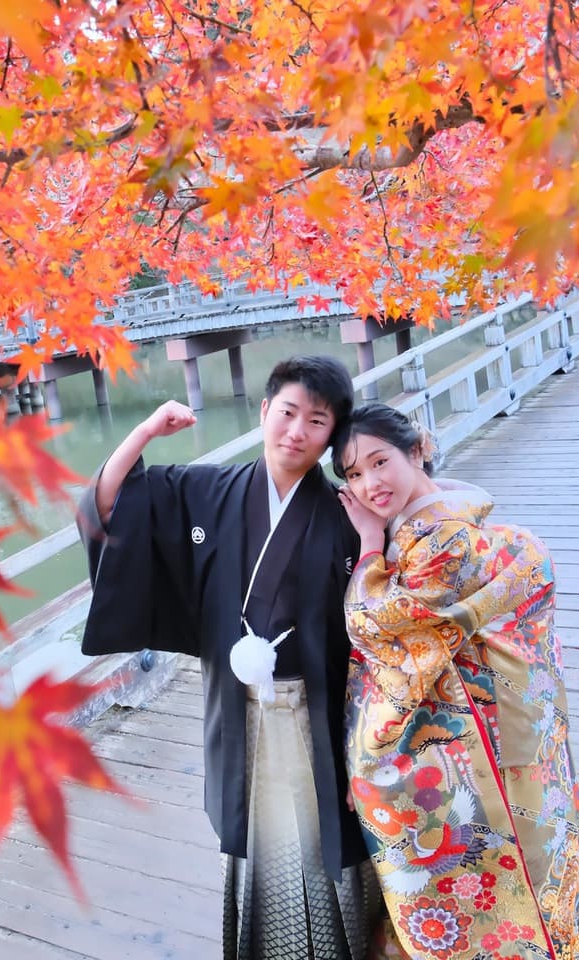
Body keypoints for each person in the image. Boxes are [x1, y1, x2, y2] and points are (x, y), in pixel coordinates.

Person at [77, 356, 376, 960]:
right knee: (259, 843)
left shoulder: (347, 512)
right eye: (287, 413)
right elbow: (108, 507)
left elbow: (386, 603)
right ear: (264, 411)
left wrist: (374, 538)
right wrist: (145, 432)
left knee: (327, 842)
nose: (296, 431)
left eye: (315, 422)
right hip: (242, 712)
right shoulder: (206, 490)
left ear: (331, 433)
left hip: (320, 712)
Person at [333, 404, 579, 960]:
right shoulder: (445, 530)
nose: (370, 485)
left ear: (416, 450)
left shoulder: (445, 543)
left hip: (478, 743)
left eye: (380, 461)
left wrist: (366, 547)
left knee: (498, 886)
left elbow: (374, 623)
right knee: (525, 872)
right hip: (499, 727)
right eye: (354, 475)